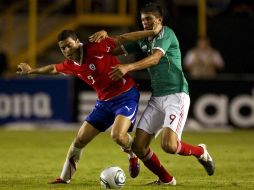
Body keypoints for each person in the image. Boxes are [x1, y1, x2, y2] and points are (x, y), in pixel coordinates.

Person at [91, 2, 215, 186]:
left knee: (169, 146)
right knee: (138, 147)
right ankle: (166, 180)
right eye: (143, 20)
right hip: (157, 97)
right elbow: (113, 49)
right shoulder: (143, 39)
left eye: (149, 19)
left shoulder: (167, 33)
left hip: (176, 94)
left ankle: (200, 152)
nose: (146, 23)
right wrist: (105, 38)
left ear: (160, 19)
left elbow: (156, 58)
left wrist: (128, 67)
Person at [16, 28, 162, 184]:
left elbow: (123, 38)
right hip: (104, 103)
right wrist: (32, 71)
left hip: (126, 95)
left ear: (78, 42)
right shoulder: (71, 64)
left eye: (69, 45)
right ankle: (64, 178)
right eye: (62, 48)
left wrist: (151, 33)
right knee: (79, 141)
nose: (66, 50)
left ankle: (132, 154)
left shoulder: (96, 47)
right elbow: (53, 68)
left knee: (117, 135)